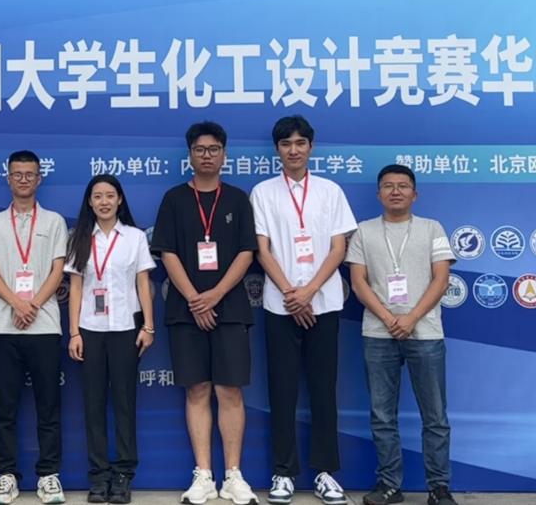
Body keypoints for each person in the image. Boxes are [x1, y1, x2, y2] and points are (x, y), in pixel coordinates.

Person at [151, 121, 260, 505]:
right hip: (186, 310)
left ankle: (233, 475)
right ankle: (203, 475)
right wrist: (196, 299)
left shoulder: (238, 199)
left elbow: (247, 252)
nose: (207, 155)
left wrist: (214, 295)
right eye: (200, 149)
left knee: (229, 390)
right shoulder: (174, 199)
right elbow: (167, 253)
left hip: (230, 308)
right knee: (197, 389)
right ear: (190, 155)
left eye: (214, 149)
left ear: (224, 154)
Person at [250, 115, 356, 505]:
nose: (293, 150)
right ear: (277, 149)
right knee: (282, 391)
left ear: (311, 146)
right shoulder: (263, 192)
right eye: (285, 144)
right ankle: (283, 472)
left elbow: (339, 248)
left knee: (323, 390)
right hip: (280, 306)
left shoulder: (330, 191)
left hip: (323, 303)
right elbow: (262, 250)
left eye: (300, 143)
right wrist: (291, 294)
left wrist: (309, 291)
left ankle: (326, 473)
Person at [346, 164, 459, 505]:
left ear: (415, 193)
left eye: (403, 186)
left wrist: (410, 318)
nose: (395, 191)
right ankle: (389, 486)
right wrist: (389, 317)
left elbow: (441, 279)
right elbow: (358, 282)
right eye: (388, 186)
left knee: (435, 416)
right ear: (378, 193)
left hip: (425, 333)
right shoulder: (363, 231)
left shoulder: (432, 228)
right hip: (378, 334)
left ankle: (438, 487)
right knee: (382, 415)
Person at [0, 150, 69, 505]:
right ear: (8, 178)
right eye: (17, 174)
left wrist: (31, 304)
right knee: (4, 408)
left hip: (44, 325)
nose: (23, 179)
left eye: (29, 174)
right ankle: (6, 475)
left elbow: (58, 270)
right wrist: (17, 304)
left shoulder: (54, 221)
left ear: (39, 178)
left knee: (49, 406)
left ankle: (48, 475)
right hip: (5, 327)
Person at [65, 174, 156, 504]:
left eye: (109, 195)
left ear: (119, 200)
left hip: (125, 329)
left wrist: (149, 327)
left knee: (124, 403)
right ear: (89, 202)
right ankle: (99, 475)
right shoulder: (79, 238)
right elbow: (76, 288)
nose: (104, 201)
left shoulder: (134, 237)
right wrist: (74, 332)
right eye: (97, 196)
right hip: (90, 329)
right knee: (93, 406)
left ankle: (123, 475)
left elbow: (143, 283)